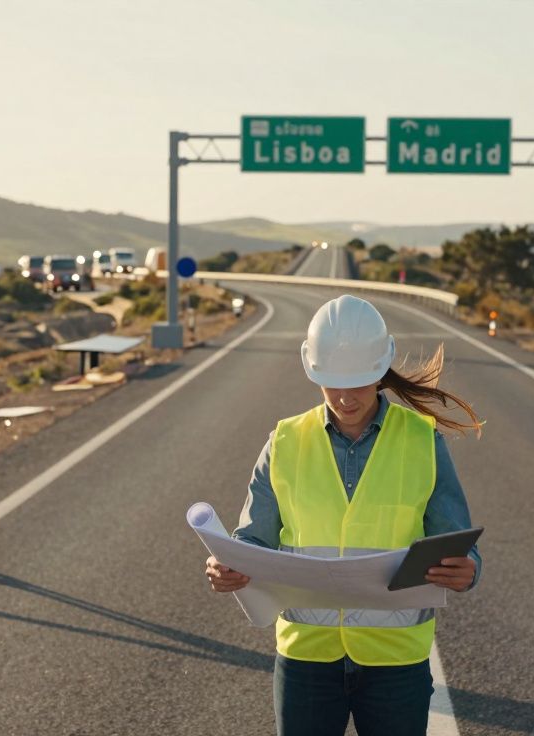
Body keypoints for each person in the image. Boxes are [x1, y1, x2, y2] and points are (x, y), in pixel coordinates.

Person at [205, 294, 482, 736]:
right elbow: (252, 542)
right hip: (306, 660)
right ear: (313, 370)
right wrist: (228, 566)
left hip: (396, 663)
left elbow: (457, 544)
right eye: (332, 384)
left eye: (359, 383)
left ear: (380, 372)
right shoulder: (284, 442)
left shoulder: (422, 441)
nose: (345, 397)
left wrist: (467, 572)